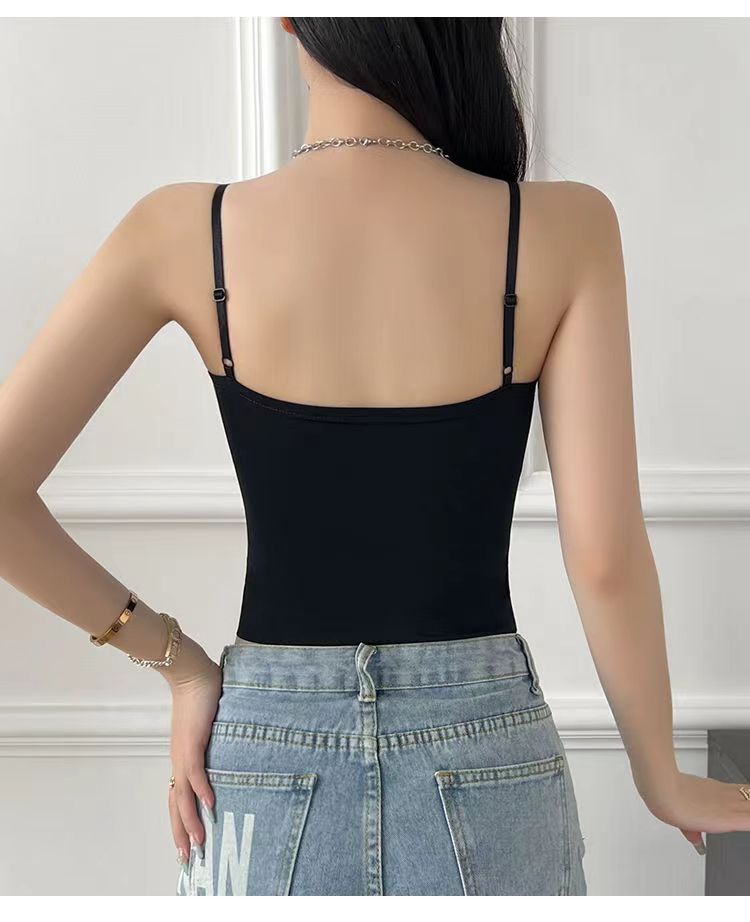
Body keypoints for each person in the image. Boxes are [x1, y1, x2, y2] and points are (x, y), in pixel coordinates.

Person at [1, 16, 748, 897]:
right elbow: (604, 555)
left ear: (288, 17)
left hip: (260, 763)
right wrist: (660, 777)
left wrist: (178, 662)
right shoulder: (559, 227)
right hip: (488, 754)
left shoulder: (183, 228)